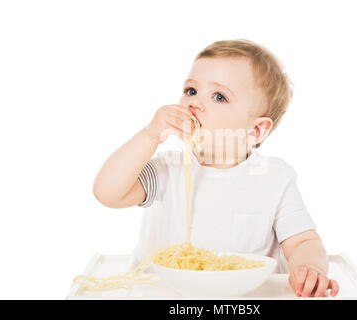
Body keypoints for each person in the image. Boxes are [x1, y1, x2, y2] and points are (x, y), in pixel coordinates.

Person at [93, 39, 339, 298]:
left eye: (219, 96)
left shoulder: (274, 179)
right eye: (191, 91)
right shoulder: (168, 169)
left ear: (255, 130)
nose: (194, 103)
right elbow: (108, 193)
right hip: (170, 295)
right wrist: (149, 135)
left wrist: (309, 268)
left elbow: (303, 241)